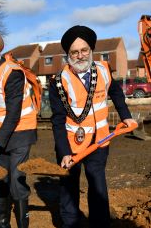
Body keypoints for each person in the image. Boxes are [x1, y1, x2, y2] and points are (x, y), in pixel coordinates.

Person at [49, 25, 137, 228]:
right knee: (69, 186)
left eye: (84, 50)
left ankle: (100, 223)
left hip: (100, 140)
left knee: (97, 184)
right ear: (68, 54)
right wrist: (64, 152)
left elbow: (116, 93)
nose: (80, 55)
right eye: (74, 52)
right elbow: (57, 119)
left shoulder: (104, 70)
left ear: (91, 50)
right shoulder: (59, 81)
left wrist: (126, 116)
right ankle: (70, 223)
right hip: (71, 144)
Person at [0, 27, 38, 228]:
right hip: (2, 132)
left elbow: (13, 114)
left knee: (16, 180)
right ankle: (2, 224)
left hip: (21, 132)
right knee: (0, 180)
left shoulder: (12, 72)